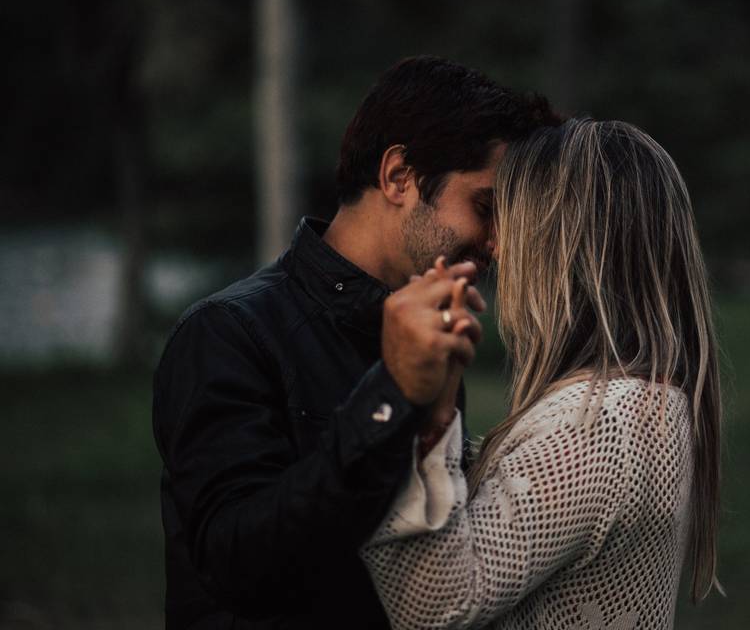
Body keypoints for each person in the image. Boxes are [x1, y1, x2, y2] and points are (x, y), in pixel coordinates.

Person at [152, 56, 561, 629]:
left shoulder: (431, 340)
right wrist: (390, 394)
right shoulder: (228, 332)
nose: (498, 244)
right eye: (485, 208)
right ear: (398, 176)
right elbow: (234, 562)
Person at [361, 118, 723, 629]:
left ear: (563, 242)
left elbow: (431, 607)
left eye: (508, 218)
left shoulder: (605, 424)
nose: (494, 247)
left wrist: (423, 407)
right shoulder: (640, 405)